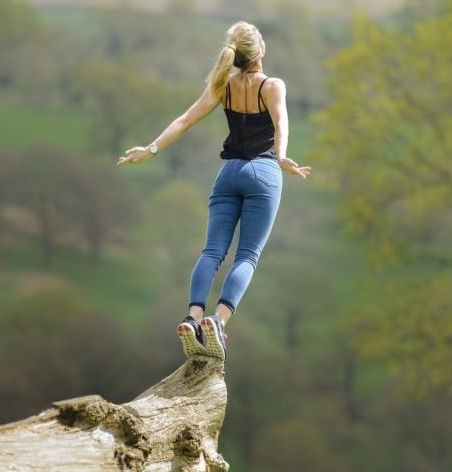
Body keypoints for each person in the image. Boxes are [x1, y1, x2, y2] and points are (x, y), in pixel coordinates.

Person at [117, 21, 310, 361]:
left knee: (211, 252)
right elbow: (281, 123)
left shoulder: (224, 86)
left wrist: (151, 150)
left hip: (228, 175)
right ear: (259, 50)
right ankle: (217, 322)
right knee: (247, 255)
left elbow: (185, 120)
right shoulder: (273, 85)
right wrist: (280, 157)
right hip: (263, 173)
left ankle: (192, 318)